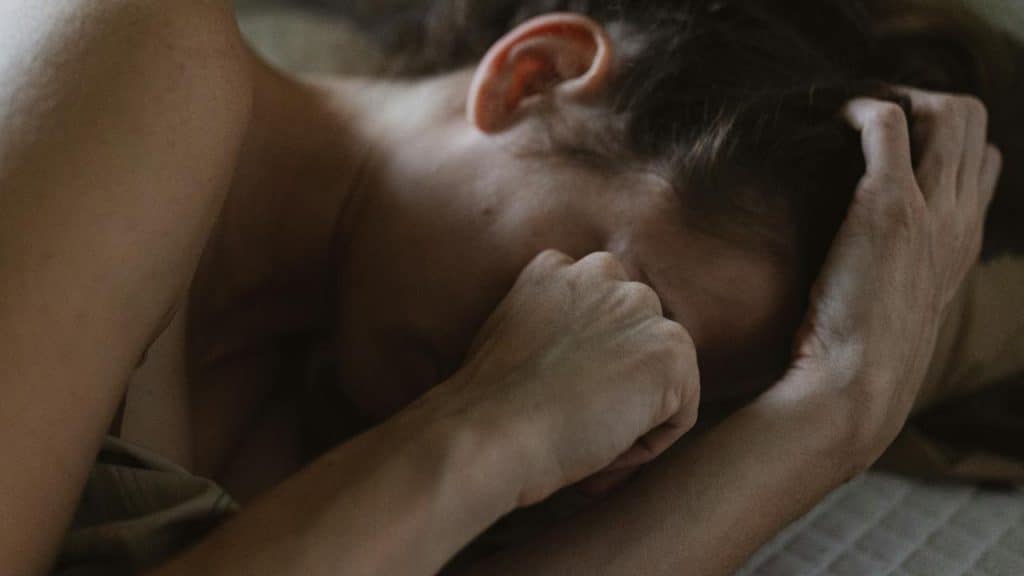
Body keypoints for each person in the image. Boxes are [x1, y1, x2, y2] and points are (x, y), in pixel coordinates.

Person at [0, 0, 1010, 574]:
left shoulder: (314, 423)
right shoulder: (137, 45)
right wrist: (488, 426)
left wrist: (835, 409)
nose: (597, 411)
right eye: (625, 299)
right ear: (534, 75)